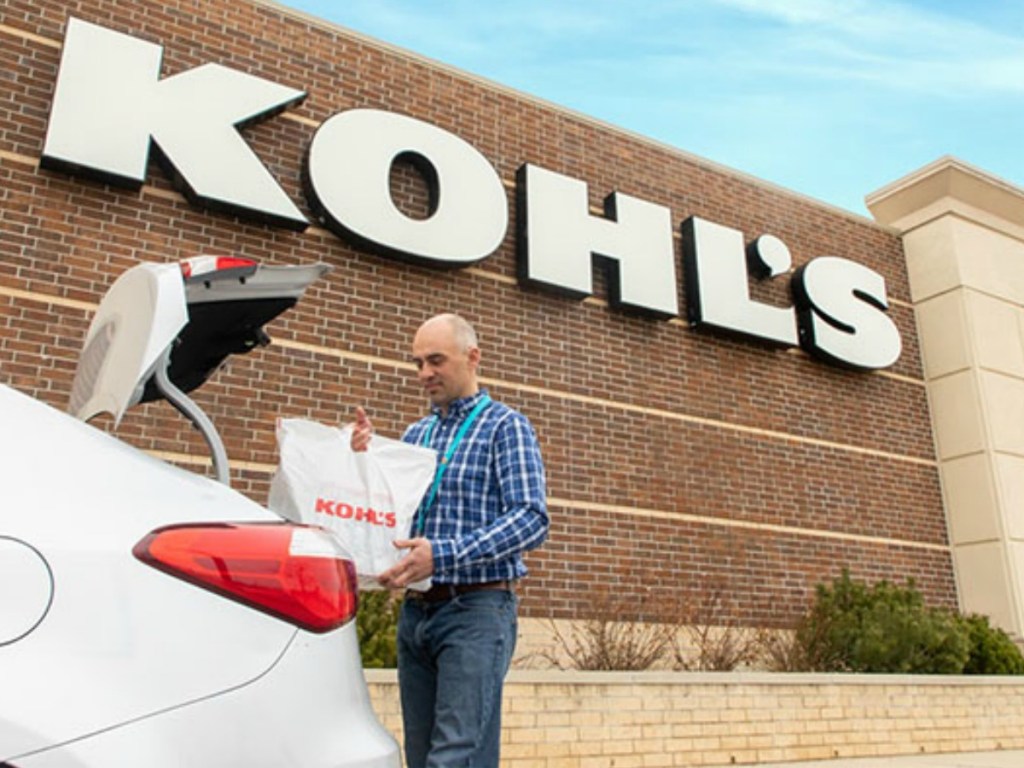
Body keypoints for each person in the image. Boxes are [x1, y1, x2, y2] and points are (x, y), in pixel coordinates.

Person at [351, 312, 548, 768]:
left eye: (435, 360)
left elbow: (531, 518)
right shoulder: (415, 436)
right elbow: (389, 515)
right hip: (416, 614)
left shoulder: (506, 426)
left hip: (476, 612)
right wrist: (362, 462)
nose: (424, 373)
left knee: (456, 757)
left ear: (472, 357)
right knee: (421, 759)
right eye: (418, 362)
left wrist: (443, 555)